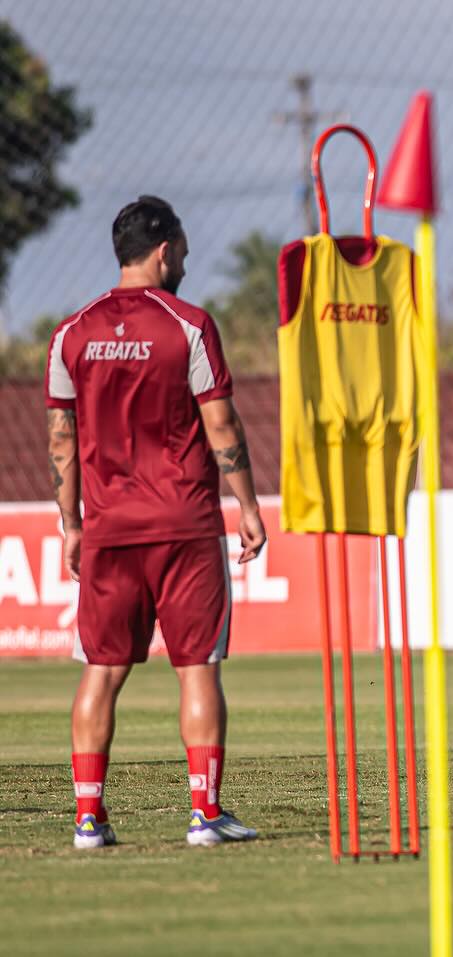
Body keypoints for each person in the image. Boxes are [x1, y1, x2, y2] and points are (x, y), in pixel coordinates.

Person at [46, 196, 267, 848]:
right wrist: (248, 504)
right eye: (185, 252)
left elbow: (61, 439)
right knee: (197, 666)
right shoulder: (189, 325)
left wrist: (71, 522)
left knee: (101, 672)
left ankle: (89, 818)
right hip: (185, 523)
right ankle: (205, 812)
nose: (187, 262)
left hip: (110, 527)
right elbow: (220, 422)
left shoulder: (70, 333)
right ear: (165, 249)